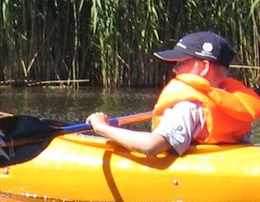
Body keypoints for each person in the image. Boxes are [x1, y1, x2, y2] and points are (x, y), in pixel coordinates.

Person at [86, 30, 260, 156]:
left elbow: (152, 146)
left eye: (180, 63)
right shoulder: (233, 98)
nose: (175, 69)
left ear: (204, 67)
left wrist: (102, 128)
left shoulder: (188, 105)